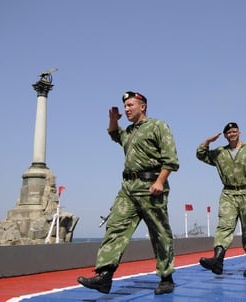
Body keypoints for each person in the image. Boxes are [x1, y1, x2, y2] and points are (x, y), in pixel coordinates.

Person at [77, 91, 180, 295]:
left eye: (130, 105)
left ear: (142, 107)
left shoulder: (158, 126)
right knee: (115, 226)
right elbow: (115, 134)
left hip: (151, 187)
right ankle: (105, 276)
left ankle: (166, 277)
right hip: (128, 188)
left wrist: (160, 181)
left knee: (159, 232)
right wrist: (113, 119)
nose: (127, 109)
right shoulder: (129, 132)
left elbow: (171, 159)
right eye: (125, 106)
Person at [196, 122, 246, 277]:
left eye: (234, 131)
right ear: (225, 136)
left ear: (239, 133)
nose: (232, 134)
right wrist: (208, 142)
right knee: (224, 225)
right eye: (229, 133)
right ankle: (218, 260)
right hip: (228, 193)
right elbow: (200, 155)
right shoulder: (220, 153)